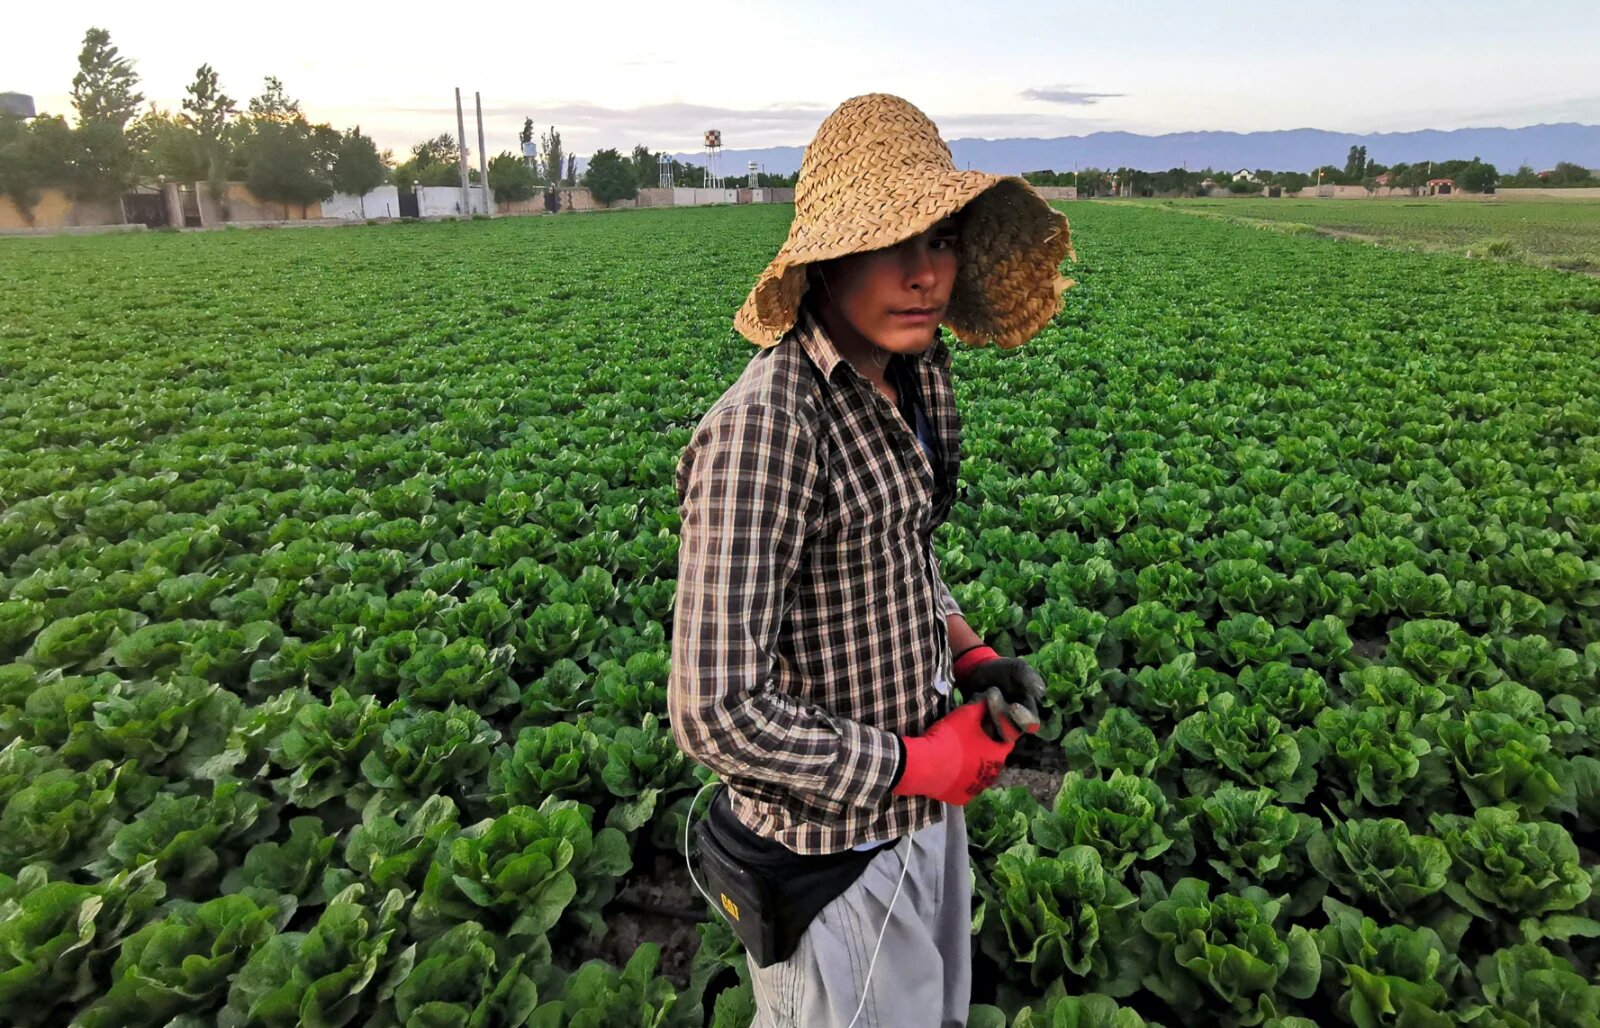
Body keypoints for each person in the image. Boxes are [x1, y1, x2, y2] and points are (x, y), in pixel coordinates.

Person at [668, 93, 1076, 1028]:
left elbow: (898, 551)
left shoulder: (916, 376)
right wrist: (916, 761)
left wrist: (966, 650)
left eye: (939, 240)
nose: (923, 273)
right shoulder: (766, 427)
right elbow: (713, 713)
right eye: (890, 241)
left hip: (924, 813)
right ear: (824, 259)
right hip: (830, 851)